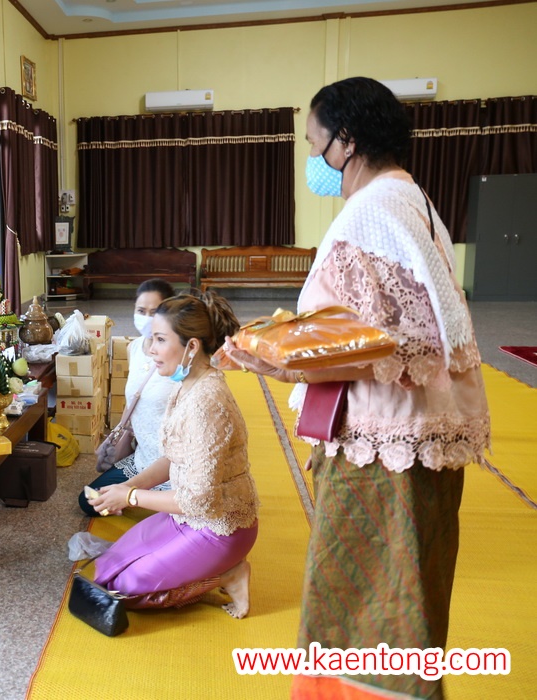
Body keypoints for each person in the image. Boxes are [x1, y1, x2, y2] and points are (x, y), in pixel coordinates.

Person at [223, 77, 490, 699]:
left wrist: (273, 355)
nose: (312, 158)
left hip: (381, 437)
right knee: (412, 591)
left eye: (314, 142)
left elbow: (369, 341)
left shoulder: (368, 212)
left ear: (345, 141)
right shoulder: (412, 197)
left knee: (360, 597)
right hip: (423, 428)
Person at [87, 292, 259, 616]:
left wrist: (131, 497)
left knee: (122, 591)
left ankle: (229, 574)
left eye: (160, 339)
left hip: (219, 527)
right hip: (186, 517)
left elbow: (198, 501)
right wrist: (128, 487)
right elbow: (172, 458)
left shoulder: (206, 403)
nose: (151, 348)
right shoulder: (187, 384)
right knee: (106, 568)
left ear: (191, 346)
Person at [79, 278, 178, 516]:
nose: (147, 318)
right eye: (141, 311)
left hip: (173, 463)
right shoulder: (134, 348)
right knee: (89, 501)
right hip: (143, 458)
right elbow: (134, 398)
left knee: (178, 515)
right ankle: (142, 499)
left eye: (155, 312)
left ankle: (149, 500)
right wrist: (122, 434)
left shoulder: (179, 356)